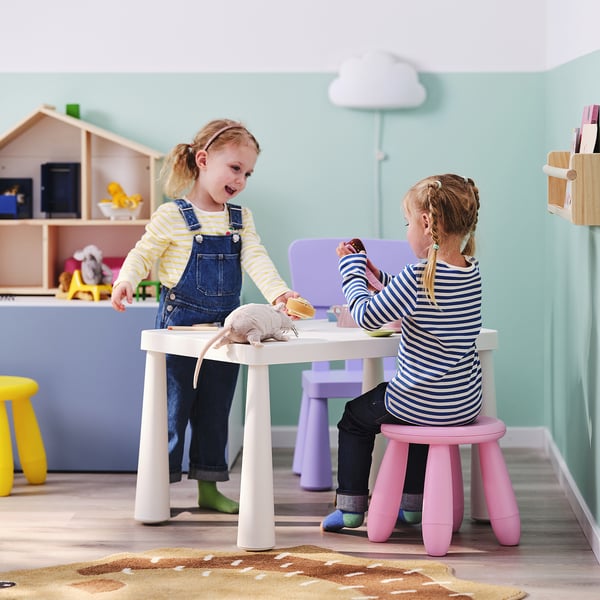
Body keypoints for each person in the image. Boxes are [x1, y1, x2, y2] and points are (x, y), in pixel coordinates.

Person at [111, 118, 298, 514]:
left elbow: (256, 259)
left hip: (225, 333)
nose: (242, 179)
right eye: (235, 168)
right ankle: (157, 492)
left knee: (215, 412)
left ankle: (209, 489)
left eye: (248, 173)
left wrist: (279, 292)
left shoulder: (240, 219)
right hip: (179, 330)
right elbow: (143, 252)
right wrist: (127, 278)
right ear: (202, 160)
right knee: (173, 414)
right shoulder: (171, 215)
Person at [321, 173, 482, 532]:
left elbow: (365, 314)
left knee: (354, 418)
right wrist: (381, 277)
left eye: (407, 223)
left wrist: (352, 273)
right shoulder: (472, 272)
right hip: (463, 402)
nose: (406, 230)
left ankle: (350, 507)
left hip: (418, 399)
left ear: (426, 223)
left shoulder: (417, 275)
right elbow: (424, 298)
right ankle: (412, 507)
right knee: (423, 420)